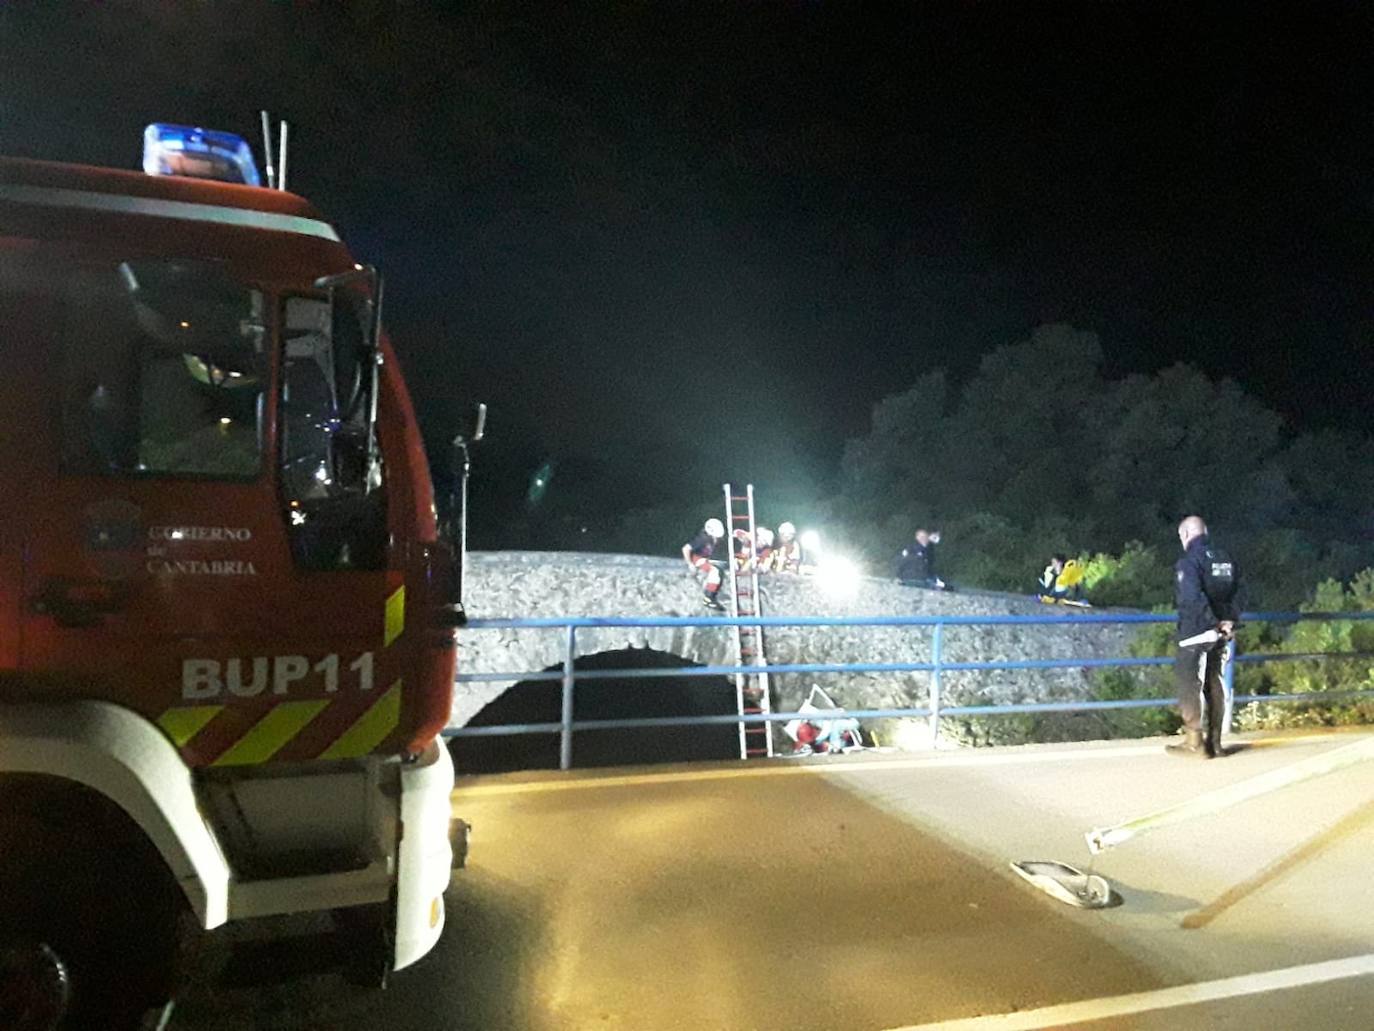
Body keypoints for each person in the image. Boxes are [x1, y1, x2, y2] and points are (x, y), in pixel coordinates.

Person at [1168, 515, 1244, 758]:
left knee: (1190, 684)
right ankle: (1216, 743)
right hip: (1223, 632)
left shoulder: (1189, 562)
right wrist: (1228, 621)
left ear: (1186, 535)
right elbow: (1240, 591)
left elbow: (1191, 597)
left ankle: (1195, 744)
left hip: (1195, 632)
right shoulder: (1225, 558)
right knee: (1216, 683)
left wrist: (1212, 621)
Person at [682, 518, 726, 610]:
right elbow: (686, 548)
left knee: (719, 569)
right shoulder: (702, 539)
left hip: (704, 559)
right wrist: (690, 564)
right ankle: (708, 598)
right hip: (697, 559)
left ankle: (713, 595)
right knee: (715, 571)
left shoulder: (711, 540)